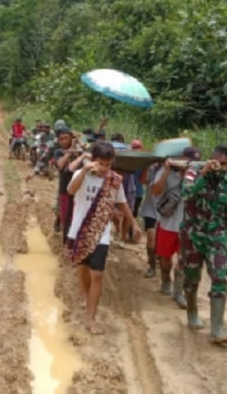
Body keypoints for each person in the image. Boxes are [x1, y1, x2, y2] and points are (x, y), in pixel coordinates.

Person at [65, 141, 142, 334]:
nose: (105, 169)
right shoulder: (80, 175)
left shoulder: (114, 180)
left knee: (97, 274)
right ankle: (85, 296)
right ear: (93, 160)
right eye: (101, 164)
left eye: (108, 164)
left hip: (101, 232)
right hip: (79, 231)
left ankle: (91, 318)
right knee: (81, 269)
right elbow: (71, 191)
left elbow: (123, 204)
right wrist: (84, 171)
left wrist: (134, 223)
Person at [180, 145, 227, 345]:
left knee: (220, 276)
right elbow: (186, 195)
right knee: (192, 277)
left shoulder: (226, 182)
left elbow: (226, 212)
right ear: (212, 158)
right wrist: (203, 174)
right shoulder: (193, 172)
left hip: (216, 237)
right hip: (193, 235)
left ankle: (217, 328)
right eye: (220, 163)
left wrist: (224, 238)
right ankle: (192, 312)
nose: (223, 168)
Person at [150, 146, 201, 308]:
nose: (191, 164)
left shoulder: (197, 176)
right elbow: (156, 191)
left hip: (187, 226)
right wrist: (166, 170)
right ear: (182, 158)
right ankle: (165, 279)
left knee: (182, 261)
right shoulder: (167, 173)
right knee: (165, 260)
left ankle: (178, 292)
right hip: (167, 224)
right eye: (189, 160)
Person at [52, 127, 78, 240]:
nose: (63, 141)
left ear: (71, 139)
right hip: (65, 189)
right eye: (61, 139)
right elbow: (60, 164)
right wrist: (70, 152)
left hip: (79, 190)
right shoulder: (58, 152)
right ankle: (66, 243)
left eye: (66, 138)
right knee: (66, 219)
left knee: (76, 218)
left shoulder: (80, 151)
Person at [139, 161, 160, 278]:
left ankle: (159, 260)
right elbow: (142, 181)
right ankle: (152, 266)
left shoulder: (173, 169)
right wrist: (146, 165)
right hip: (150, 209)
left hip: (166, 212)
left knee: (160, 239)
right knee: (151, 236)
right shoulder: (152, 168)